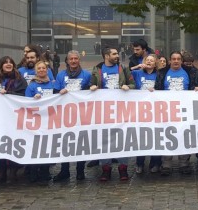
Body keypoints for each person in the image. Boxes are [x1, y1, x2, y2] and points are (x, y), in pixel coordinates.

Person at [90, 46, 135, 181]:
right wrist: (92, 87)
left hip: (121, 109)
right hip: (103, 110)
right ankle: (106, 169)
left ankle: (123, 168)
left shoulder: (123, 68)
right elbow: (91, 85)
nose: (117, 56)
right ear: (106, 55)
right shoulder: (97, 69)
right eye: (114, 54)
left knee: (122, 138)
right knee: (104, 139)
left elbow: (133, 84)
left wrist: (128, 87)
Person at [155, 51, 198, 175]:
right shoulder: (162, 73)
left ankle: (184, 163)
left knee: (184, 136)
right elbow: (158, 88)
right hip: (167, 111)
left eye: (178, 59)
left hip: (184, 111)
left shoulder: (189, 73)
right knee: (167, 137)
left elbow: (195, 85)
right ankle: (166, 164)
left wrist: (196, 88)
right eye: (173, 59)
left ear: (181, 60)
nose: (175, 61)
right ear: (170, 60)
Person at [52, 50, 93, 181]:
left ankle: (80, 171)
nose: (74, 61)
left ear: (79, 60)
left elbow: (92, 89)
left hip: (81, 114)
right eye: (71, 59)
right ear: (67, 61)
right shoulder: (60, 75)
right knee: (65, 142)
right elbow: (55, 92)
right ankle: (65, 171)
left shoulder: (86, 74)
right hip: (65, 114)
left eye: (76, 58)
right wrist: (60, 92)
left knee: (81, 142)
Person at [0, 56, 27, 184]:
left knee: (14, 143)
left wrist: (9, 94)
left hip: (14, 117)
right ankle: (2, 172)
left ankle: (14, 171)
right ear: (1, 65)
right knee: (0, 144)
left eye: (11, 62)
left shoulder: (19, 80)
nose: (8, 64)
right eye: (6, 62)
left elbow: (24, 95)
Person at [24, 60, 55, 182]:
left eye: (43, 68)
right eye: (39, 68)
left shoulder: (53, 84)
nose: (41, 70)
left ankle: (45, 172)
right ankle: (33, 172)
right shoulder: (31, 85)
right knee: (35, 146)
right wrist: (33, 99)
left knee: (47, 146)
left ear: (47, 70)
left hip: (50, 120)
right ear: (36, 71)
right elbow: (26, 102)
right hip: (36, 120)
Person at [130, 54, 162, 174]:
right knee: (142, 137)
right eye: (147, 60)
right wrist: (137, 66)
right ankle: (140, 163)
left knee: (156, 137)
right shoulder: (138, 73)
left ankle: (155, 163)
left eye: (151, 61)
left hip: (155, 110)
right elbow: (126, 73)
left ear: (155, 63)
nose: (149, 62)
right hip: (141, 110)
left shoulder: (158, 75)